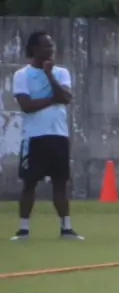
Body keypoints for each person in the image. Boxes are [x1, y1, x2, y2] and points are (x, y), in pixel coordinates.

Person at [12, 32, 82, 241]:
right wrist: (54, 98)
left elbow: (67, 98)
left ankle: (66, 228)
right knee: (29, 183)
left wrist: (49, 75)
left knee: (60, 183)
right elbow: (27, 106)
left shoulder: (61, 72)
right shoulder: (22, 75)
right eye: (46, 47)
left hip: (58, 135)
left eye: (52, 47)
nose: (50, 51)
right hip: (34, 137)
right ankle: (23, 230)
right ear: (33, 49)